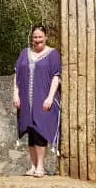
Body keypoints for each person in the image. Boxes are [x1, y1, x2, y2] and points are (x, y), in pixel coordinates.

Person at [12, 24, 61, 177]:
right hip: (26, 100)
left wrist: (50, 97)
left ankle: (41, 166)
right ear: (31, 38)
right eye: (35, 37)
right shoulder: (24, 54)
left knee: (40, 130)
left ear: (46, 37)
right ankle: (33, 165)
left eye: (40, 37)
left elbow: (56, 76)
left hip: (43, 99)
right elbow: (17, 75)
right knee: (31, 131)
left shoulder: (53, 54)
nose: (37, 40)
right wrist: (15, 94)